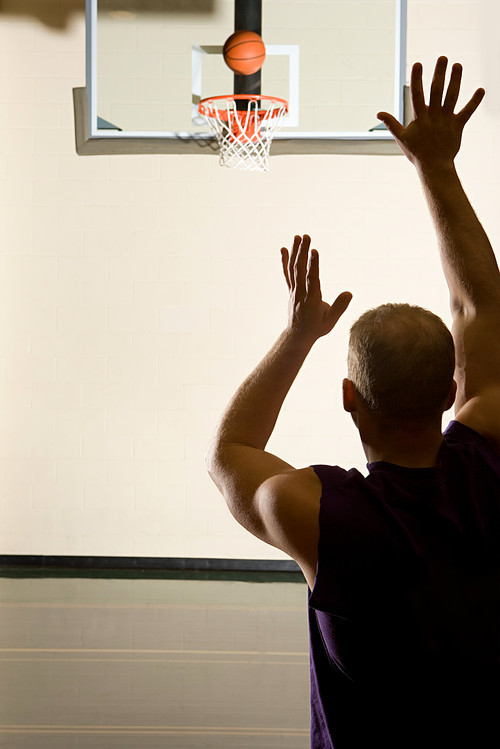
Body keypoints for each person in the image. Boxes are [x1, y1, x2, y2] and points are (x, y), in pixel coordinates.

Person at [206, 57, 500, 749]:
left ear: (349, 398)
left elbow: (229, 457)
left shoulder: (322, 514)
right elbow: (482, 307)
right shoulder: (489, 465)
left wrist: (298, 334)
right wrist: (437, 167)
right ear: (451, 392)